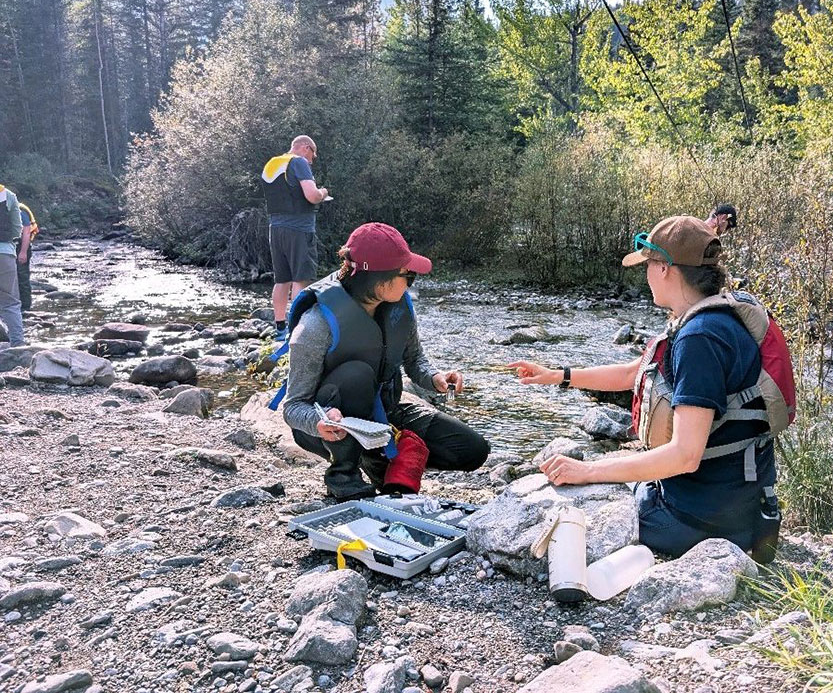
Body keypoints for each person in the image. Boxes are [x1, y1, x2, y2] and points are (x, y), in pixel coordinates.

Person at [509, 216, 786, 560]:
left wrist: (588, 470)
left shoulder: (700, 338)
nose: (646, 274)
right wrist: (558, 375)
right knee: (608, 480)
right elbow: (633, 373)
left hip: (698, 522)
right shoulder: (710, 318)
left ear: (665, 268)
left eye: (648, 265)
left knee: (564, 513)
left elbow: (685, 454)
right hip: (738, 509)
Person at [281, 222, 490, 500]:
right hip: (330, 426)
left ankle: (375, 457)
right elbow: (293, 407)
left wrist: (434, 378)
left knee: (472, 449)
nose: (411, 282)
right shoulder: (315, 325)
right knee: (357, 375)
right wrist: (319, 423)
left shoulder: (399, 306)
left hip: (384, 412)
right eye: (408, 276)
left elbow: (415, 360)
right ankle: (344, 477)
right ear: (378, 281)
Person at [261, 135, 329, 341]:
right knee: (301, 278)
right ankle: (296, 328)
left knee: (282, 279)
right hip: (299, 229)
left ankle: (280, 327)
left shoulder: (272, 164)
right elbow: (311, 195)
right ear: (305, 148)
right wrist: (323, 192)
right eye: (313, 155)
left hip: (276, 228)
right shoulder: (298, 162)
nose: (312, 160)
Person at [0, 184, 26, 347]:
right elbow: (17, 229)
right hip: (5, 254)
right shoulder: (8, 195)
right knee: (10, 302)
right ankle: (18, 347)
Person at [16, 201, 37, 313]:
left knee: (22, 276)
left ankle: (25, 307)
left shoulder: (20, 211)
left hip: (21, 247)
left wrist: (23, 252)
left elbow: (26, 232)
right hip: (9, 247)